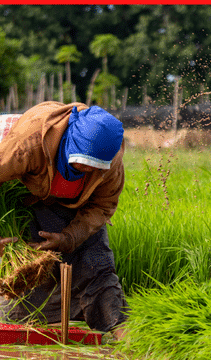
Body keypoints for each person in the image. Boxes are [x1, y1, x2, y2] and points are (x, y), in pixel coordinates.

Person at [0, 101, 128, 334]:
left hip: (75, 205)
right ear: (70, 144)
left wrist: (68, 238)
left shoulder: (111, 164)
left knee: (97, 265)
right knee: (30, 280)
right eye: (83, 163)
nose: (88, 170)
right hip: (26, 194)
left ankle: (119, 329)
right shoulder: (27, 145)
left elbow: (102, 206)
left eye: (95, 167)